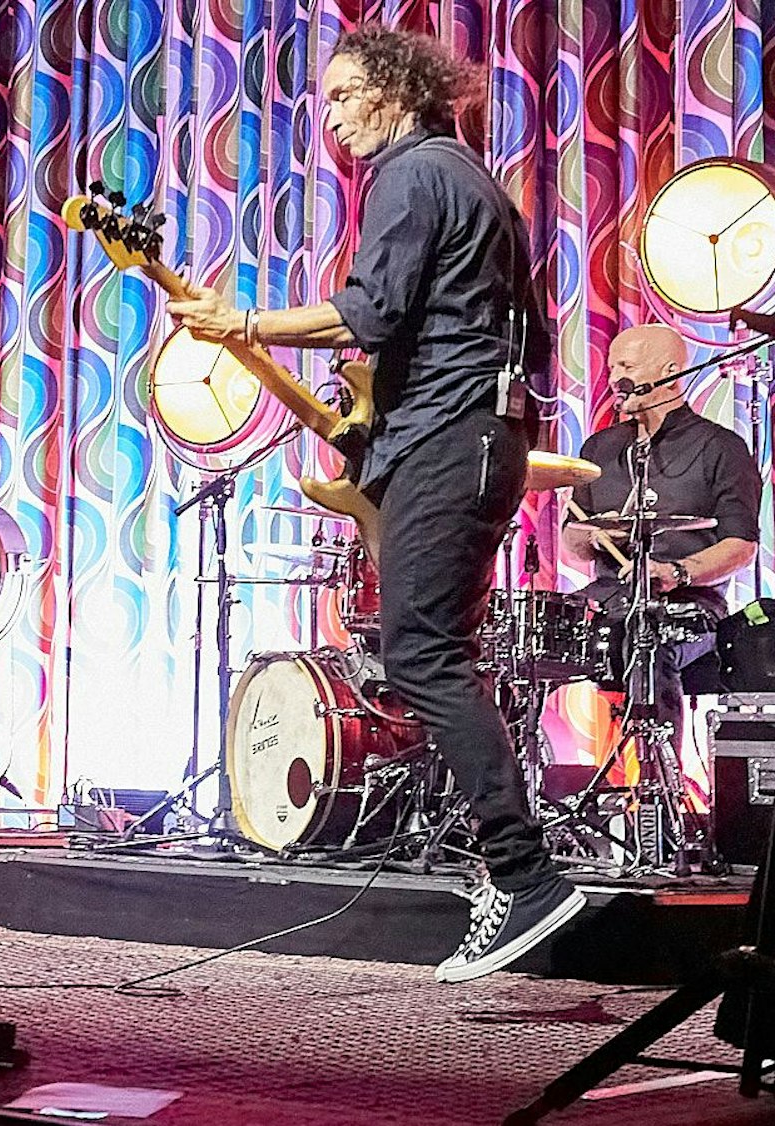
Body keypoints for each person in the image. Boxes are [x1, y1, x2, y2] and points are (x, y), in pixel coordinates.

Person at [167, 26, 583, 982]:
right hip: (473, 436)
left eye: (348, 93)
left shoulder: (411, 174)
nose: (335, 115)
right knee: (439, 654)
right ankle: (513, 872)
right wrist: (378, 423)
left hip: (453, 440)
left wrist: (246, 323)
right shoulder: (479, 183)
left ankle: (526, 878)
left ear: (397, 92)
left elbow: (372, 310)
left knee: (422, 656)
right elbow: (502, 334)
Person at [561, 324, 759, 753]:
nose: (615, 377)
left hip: (689, 608)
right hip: (607, 601)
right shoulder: (599, 449)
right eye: (612, 366)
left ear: (670, 371)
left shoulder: (720, 447)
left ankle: (654, 784)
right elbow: (571, 543)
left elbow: (741, 545)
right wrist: (590, 536)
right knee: (516, 650)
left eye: (627, 366)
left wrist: (675, 573)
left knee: (647, 640)